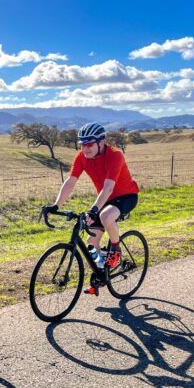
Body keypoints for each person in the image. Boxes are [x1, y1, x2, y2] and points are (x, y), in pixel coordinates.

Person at [44, 122, 139, 290]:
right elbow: (70, 182)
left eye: (89, 144)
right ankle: (103, 270)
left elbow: (109, 187)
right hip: (105, 199)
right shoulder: (82, 157)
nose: (85, 148)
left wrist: (94, 209)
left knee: (105, 215)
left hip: (126, 196)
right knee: (90, 242)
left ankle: (115, 250)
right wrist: (56, 205)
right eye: (82, 144)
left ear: (101, 142)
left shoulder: (115, 155)